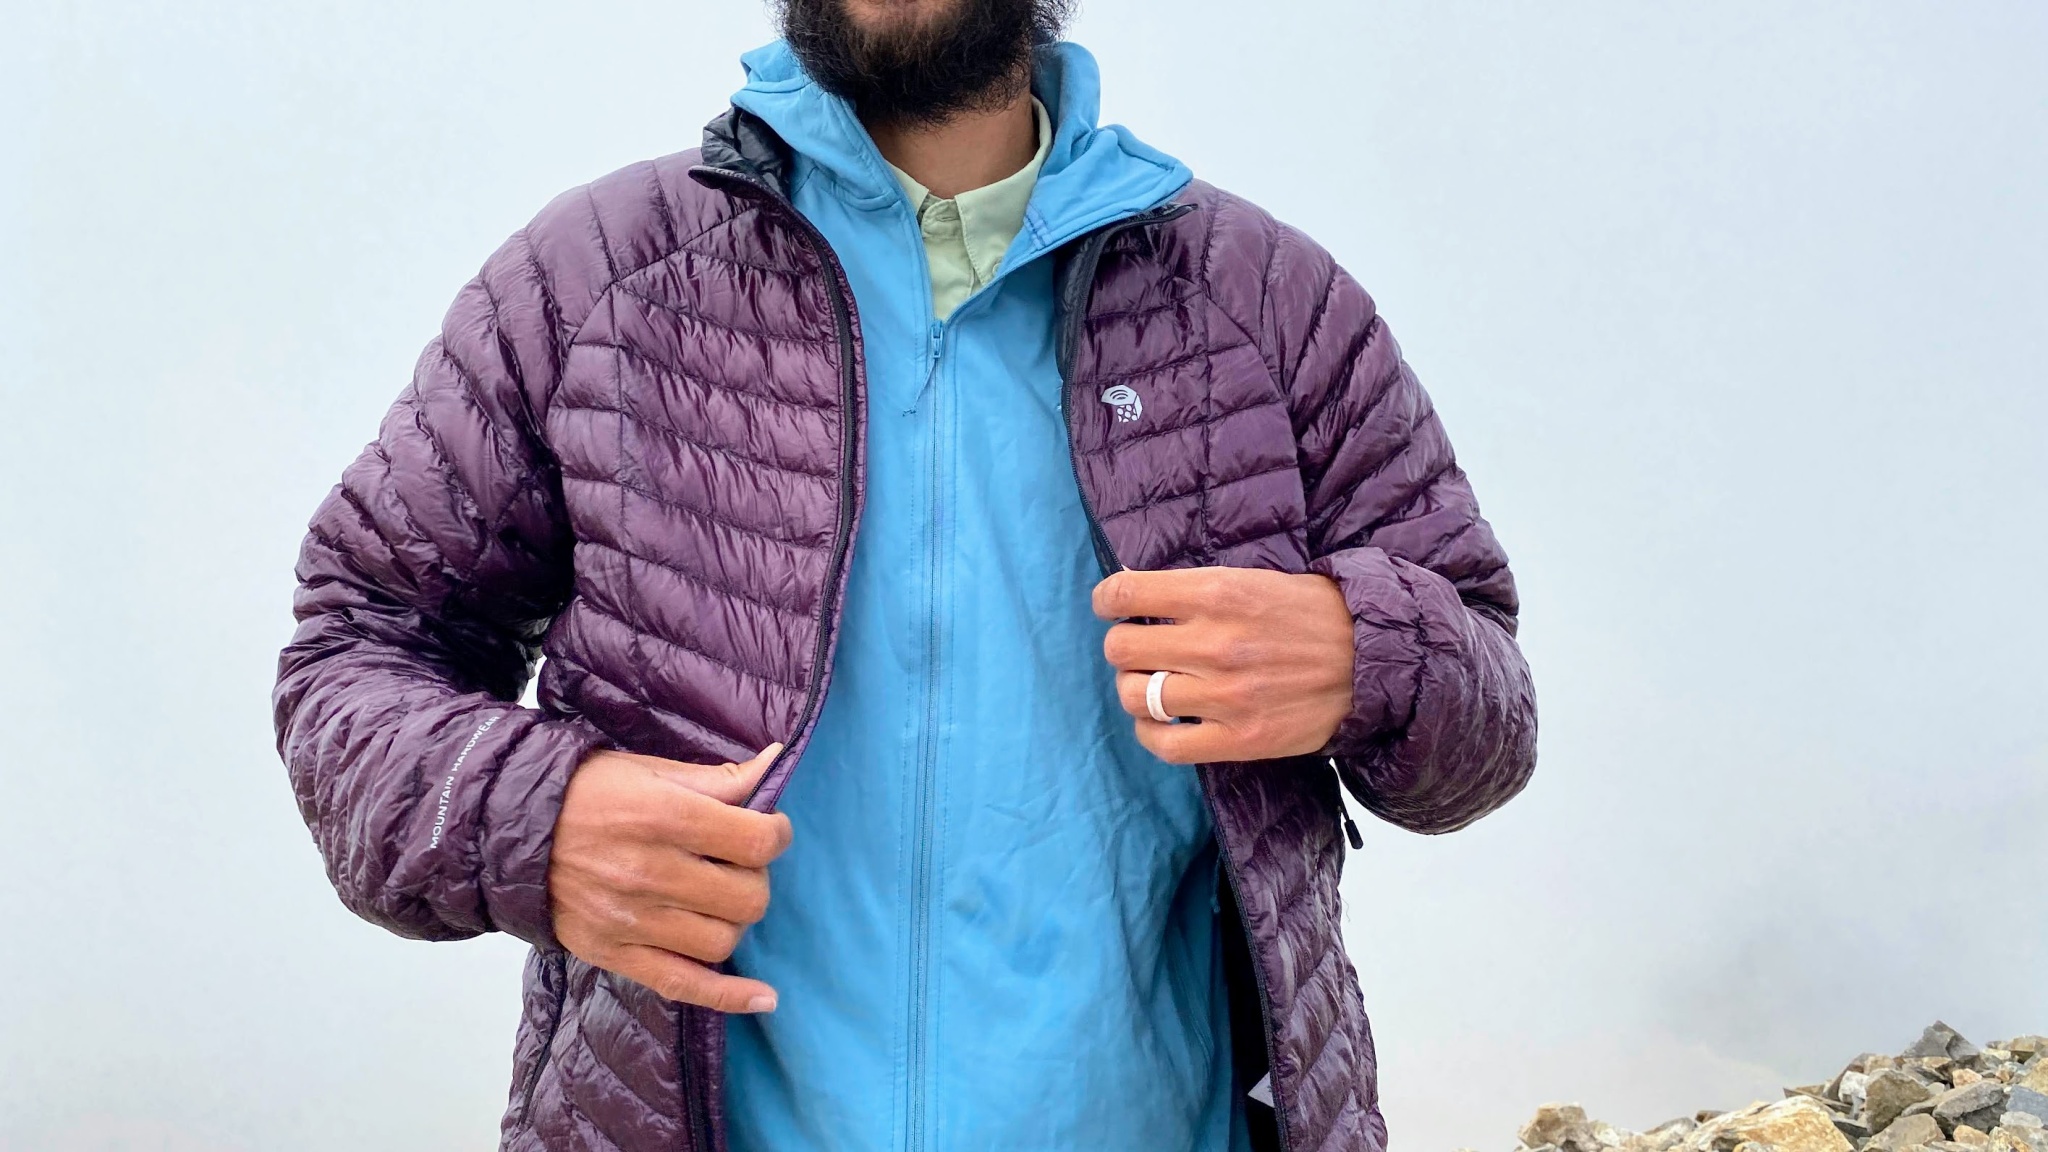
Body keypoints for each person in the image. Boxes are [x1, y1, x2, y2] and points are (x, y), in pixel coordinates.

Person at [272, 0, 1538, 1148]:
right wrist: (533, 821)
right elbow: (357, 645)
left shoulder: (1263, 302)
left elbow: (1485, 717)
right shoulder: (596, 278)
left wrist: (1364, 651)